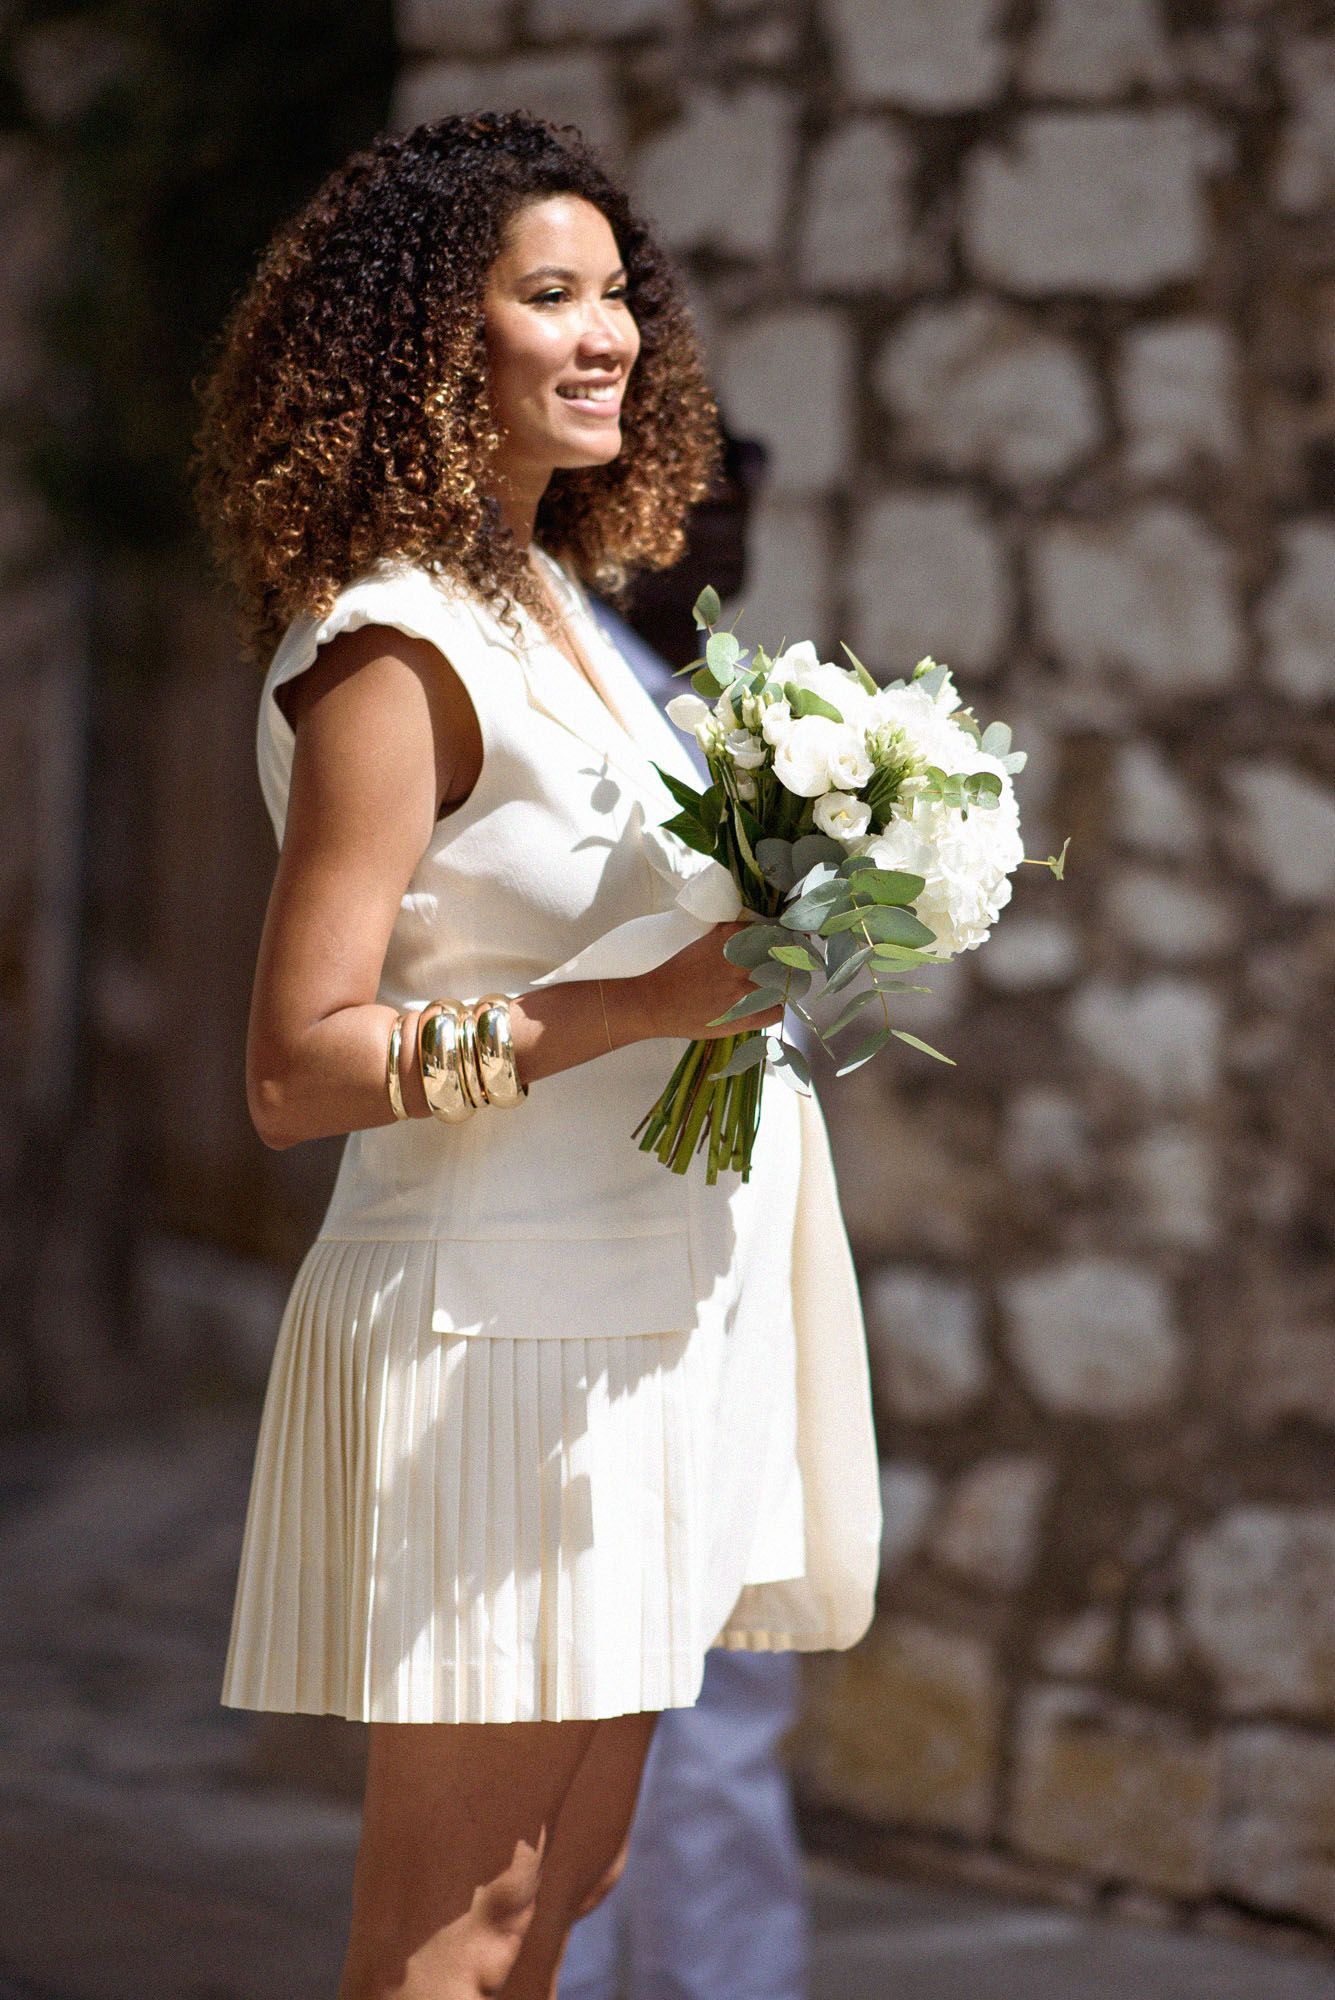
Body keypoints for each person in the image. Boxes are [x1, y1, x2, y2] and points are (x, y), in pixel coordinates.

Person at [193, 110, 881, 2000]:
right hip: (502, 1343)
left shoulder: (563, 613)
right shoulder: (394, 649)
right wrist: (649, 1009)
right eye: (548, 297)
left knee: (561, 1905)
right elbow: (297, 1065)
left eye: (618, 299)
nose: (610, 338)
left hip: (656, 1330)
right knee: (458, 1926)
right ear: (435, 341)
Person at [560, 436, 811, 2000]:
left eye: (741, 514)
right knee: (581, 1686)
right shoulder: (563, 704)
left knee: (729, 1681)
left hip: (732, 1241)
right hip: (594, 1244)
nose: (718, 542)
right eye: (691, 506)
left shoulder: (732, 710)